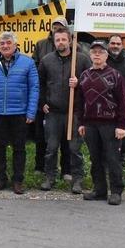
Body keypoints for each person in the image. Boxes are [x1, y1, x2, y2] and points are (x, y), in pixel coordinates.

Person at [0, 32, 39, 195]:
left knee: (19, 148)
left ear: (15, 45)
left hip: (19, 113)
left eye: (8, 43)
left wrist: (31, 111)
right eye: (2, 44)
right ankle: (0, 179)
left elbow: (34, 88)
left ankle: (18, 181)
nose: (5, 46)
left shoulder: (27, 63)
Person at [75, 40, 125, 205]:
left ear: (106, 55)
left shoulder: (115, 75)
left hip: (110, 123)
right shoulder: (84, 76)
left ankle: (116, 191)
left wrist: (121, 125)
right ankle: (99, 190)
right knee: (95, 158)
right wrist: (81, 123)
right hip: (90, 124)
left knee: (113, 158)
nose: (97, 54)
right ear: (90, 55)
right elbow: (79, 101)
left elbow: (123, 102)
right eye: (94, 52)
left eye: (100, 52)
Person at [38, 26, 91, 193]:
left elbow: (93, 83)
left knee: (75, 148)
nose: (61, 42)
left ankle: (77, 180)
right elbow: (39, 84)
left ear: (70, 40)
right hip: (53, 112)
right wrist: (42, 102)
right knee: (51, 148)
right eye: (57, 40)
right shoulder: (47, 60)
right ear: (54, 42)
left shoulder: (82, 60)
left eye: (63, 39)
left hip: (74, 112)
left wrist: (79, 83)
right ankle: (50, 177)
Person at [32, 16, 70, 176]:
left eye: (60, 26)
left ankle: (66, 170)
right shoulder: (41, 45)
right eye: (54, 26)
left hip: (66, 103)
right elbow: (36, 71)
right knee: (42, 137)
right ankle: (41, 167)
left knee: (66, 140)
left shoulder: (75, 51)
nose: (56, 28)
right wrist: (41, 100)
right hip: (46, 101)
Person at [106, 34, 125, 165]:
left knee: (123, 132)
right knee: (106, 132)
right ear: (108, 45)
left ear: (122, 45)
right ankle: (106, 160)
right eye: (113, 43)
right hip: (105, 103)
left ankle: (122, 159)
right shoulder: (104, 59)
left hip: (123, 104)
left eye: (118, 44)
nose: (115, 46)